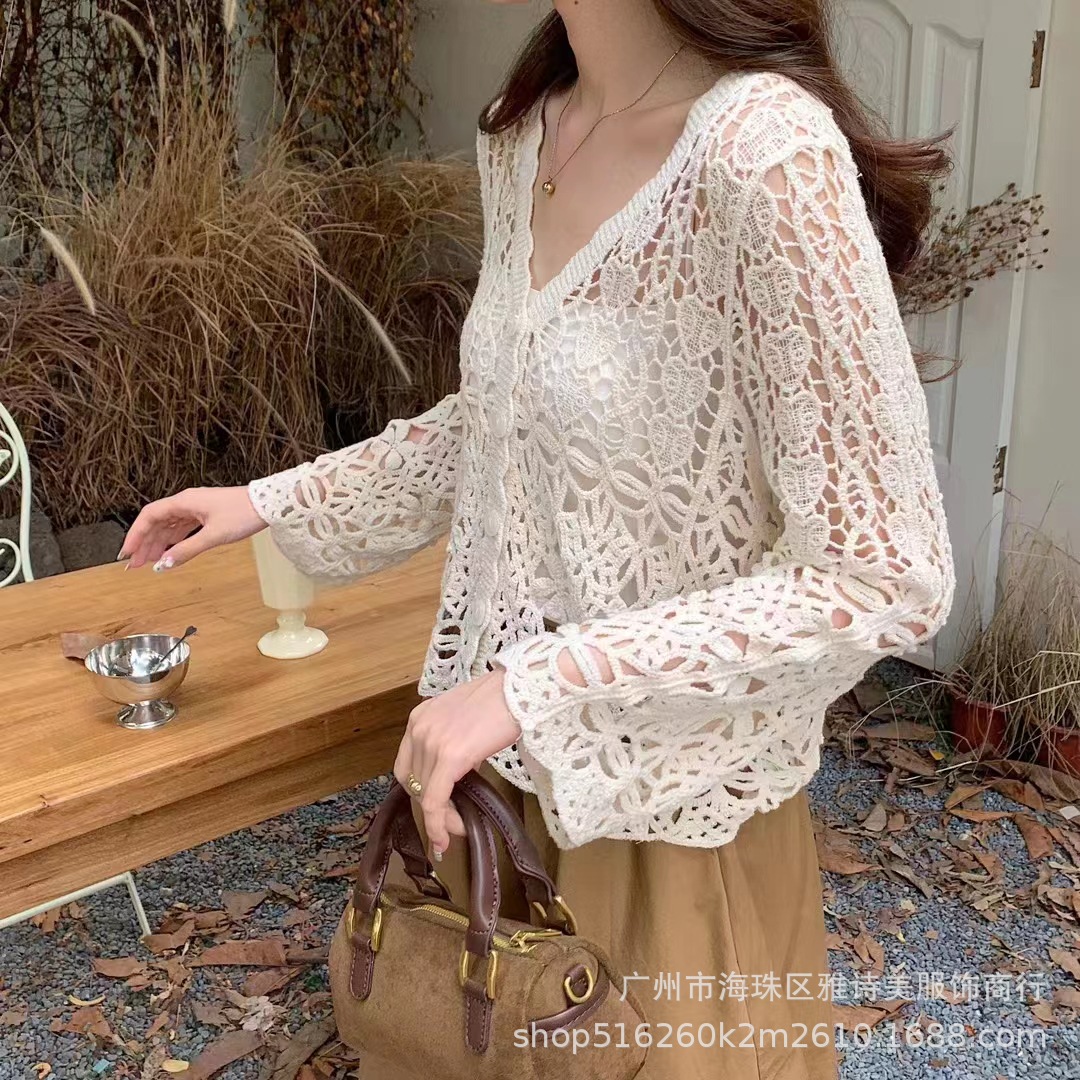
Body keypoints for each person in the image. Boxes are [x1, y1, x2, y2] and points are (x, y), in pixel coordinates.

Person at [121, 1, 955, 1075]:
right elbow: (507, 415)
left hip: (662, 820)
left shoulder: (763, 153)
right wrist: (276, 503)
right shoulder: (525, 132)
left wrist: (538, 684)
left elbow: (882, 570)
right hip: (495, 794)